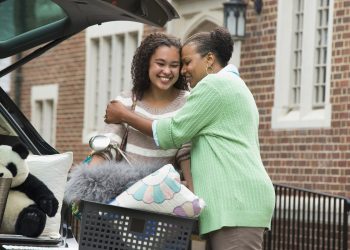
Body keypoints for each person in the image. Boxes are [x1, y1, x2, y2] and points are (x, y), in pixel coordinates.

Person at [104, 27, 275, 250]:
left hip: (236, 202)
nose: (183, 70)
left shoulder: (214, 85)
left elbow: (172, 133)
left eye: (186, 62)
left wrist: (124, 115)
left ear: (209, 59)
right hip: (235, 204)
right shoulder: (232, 85)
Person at [90, 32, 193, 190]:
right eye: (160, 63)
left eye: (174, 65)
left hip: (166, 197)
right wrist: (87, 183)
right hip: (126, 195)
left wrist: (194, 196)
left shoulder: (188, 102)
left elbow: (186, 153)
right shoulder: (127, 100)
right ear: (147, 64)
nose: (167, 71)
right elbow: (107, 146)